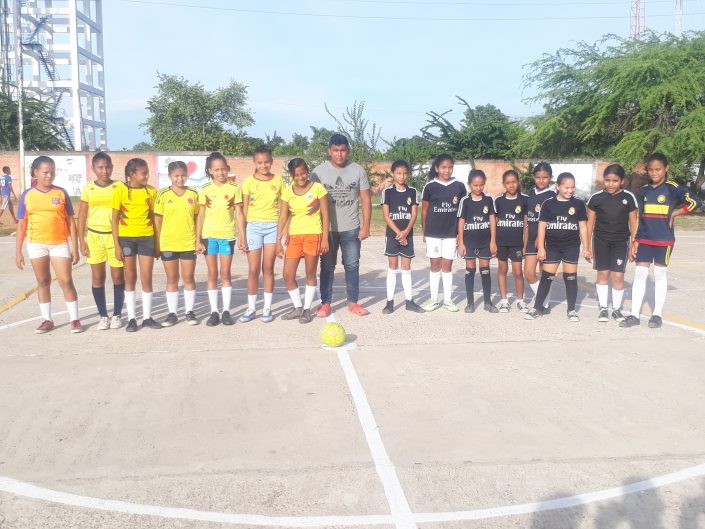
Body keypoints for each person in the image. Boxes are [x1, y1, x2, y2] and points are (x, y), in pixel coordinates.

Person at [621, 153, 705, 328]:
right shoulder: (644, 190)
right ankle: (634, 315)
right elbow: (640, 218)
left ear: (666, 168)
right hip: (644, 239)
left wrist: (675, 213)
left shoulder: (672, 188)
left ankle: (657, 315)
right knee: (639, 274)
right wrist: (635, 240)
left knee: (659, 275)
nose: (654, 173)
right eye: (651, 170)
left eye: (658, 169)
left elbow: (696, 202)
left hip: (664, 240)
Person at [15, 156, 83, 333]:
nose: (49, 175)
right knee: (43, 281)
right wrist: (18, 252)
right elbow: (21, 225)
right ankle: (47, 319)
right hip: (36, 244)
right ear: (36, 172)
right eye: (45, 172)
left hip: (59, 243)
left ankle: (74, 319)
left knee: (66, 280)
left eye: (52, 172)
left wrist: (75, 248)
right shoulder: (27, 195)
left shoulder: (61, 193)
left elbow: (71, 222)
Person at [311, 134, 372, 317]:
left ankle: (353, 302)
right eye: (336, 150)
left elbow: (366, 199)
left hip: (351, 227)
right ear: (329, 151)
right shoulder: (318, 172)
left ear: (348, 151)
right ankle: (325, 303)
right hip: (327, 230)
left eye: (343, 150)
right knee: (327, 266)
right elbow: (311, 201)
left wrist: (366, 226)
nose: (339, 154)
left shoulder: (358, 170)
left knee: (352, 265)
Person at [524, 172, 589, 322]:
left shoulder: (578, 204)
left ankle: (571, 310)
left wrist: (586, 247)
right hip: (552, 246)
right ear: (558, 186)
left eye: (572, 187)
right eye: (566, 187)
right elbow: (542, 226)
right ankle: (537, 308)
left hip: (571, 246)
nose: (570, 191)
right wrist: (541, 248)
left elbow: (583, 227)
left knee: (570, 277)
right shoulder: (548, 203)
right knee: (547, 277)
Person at [196, 151, 246, 327]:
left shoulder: (235, 188)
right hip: (209, 236)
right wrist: (197, 240)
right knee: (212, 273)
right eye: (216, 170)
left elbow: (239, 214)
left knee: (225, 273)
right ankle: (214, 312)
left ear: (228, 168)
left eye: (223, 169)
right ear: (210, 171)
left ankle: (226, 311)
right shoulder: (204, 189)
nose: (220, 172)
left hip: (227, 236)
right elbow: (201, 215)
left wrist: (242, 236)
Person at [276, 158, 330, 323]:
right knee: (287, 275)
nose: (300, 177)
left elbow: (325, 214)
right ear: (292, 175)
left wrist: (325, 239)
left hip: (313, 235)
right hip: (294, 237)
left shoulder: (318, 188)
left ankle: (307, 310)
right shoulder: (288, 191)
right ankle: (298, 307)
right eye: (296, 175)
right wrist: (278, 241)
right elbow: (283, 216)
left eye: (303, 173)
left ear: (307, 171)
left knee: (310, 273)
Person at [111, 157, 160, 332]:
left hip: (147, 237)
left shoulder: (151, 191)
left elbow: (155, 217)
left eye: (147, 172)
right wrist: (117, 245)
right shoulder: (120, 190)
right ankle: (132, 318)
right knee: (130, 277)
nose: (147, 176)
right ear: (132, 174)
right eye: (143, 173)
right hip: (126, 238)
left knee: (146, 277)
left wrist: (157, 243)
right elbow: (114, 219)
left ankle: (147, 317)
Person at [77, 152, 125, 330]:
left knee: (118, 277)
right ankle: (103, 316)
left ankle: (117, 314)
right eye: (100, 167)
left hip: (115, 237)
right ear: (93, 169)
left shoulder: (120, 186)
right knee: (98, 278)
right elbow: (82, 215)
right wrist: (82, 240)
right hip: (94, 237)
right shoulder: (88, 188)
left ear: (112, 167)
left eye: (107, 167)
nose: (104, 171)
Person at [585, 164, 638, 323]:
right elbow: (589, 223)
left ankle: (616, 309)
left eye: (615, 181)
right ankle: (603, 308)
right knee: (603, 274)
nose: (610, 184)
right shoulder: (596, 198)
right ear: (603, 180)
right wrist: (587, 247)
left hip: (621, 242)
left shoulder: (629, 197)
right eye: (607, 180)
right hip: (600, 241)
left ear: (622, 181)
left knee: (618, 275)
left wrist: (634, 244)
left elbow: (634, 222)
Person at [240, 145, 284, 323]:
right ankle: (251, 308)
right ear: (254, 162)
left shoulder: (279, 181)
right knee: (253, 269)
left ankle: (267, 308)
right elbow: (243, 210)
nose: (263, 165)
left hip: (273, 227)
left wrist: (282, 233)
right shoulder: (248, 182)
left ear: (271, 162)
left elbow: (284, 209)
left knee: (268, 268)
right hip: (253, 228)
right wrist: (242, 235)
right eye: (260, 162)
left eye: (266, 162)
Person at [154, 161, 200, 327]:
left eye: (183, 175)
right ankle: (172, 313)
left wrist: (198, 240)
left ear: (187, 175)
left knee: (188, 277)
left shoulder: (193, 194)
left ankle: (189, 311)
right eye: (176, 176)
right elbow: (157, 220)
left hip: (188, 242)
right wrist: (157, 244)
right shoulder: (162, 194)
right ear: (170, 176)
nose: (180, 179)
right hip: (168, 243)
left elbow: (197, 218)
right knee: (172, 278)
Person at [421, 154, 467, 312]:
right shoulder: (430, 186)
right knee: (435, 265)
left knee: (447, 266)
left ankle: (448, 300)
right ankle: (434, 299)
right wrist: (424, 231)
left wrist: (461, 235)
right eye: (443, 167)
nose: (447, 170)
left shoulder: (459, 186)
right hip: (433, 232)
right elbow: (425, 211)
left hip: (451, 233)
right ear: (437, 168)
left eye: (450, 167)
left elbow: (463, 213)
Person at [380, 160, 424, 314]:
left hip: (407, 235)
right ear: (393, 174)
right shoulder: (387, 192)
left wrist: (405, 232)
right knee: (392, 267)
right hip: (392, 235)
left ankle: (409, 301)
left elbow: (414, 215)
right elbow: (386, 216)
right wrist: (399, 233)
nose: (402, 176)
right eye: (399, 173)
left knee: (406, 268)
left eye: (405, 173)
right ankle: (389, 302)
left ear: (408, 174)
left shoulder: (412, 191)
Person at [457, 169, 497, 313]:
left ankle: (488, 302)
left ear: (484, 184)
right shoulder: (465, 201)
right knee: (470, 269)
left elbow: (492, 221)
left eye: (481, 185)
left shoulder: (488, 200)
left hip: (485, 242)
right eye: (475, 185)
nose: (478, 188)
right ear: (469, 185)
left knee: (485, 269)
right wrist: (461, 242)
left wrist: (493, 241)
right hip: (469, 242)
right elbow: (461, 221)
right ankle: (470, 303)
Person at [493, 169, 529, 313]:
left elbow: (526, 225)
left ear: (518, 182)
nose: (511, 185)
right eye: (508, 183)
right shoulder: (498, 201)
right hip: (501, 243)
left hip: (517, 244)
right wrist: (493, 242)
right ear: (504, 184)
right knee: (502, 270)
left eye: (514, 182)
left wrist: (525, 244)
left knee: (518, 272)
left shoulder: (524, 200)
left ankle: (520, 300)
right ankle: (504, 301)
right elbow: (494, 223)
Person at [523, 163, 556, 312]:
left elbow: (553, 219)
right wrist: (526, 240)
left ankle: (543, 304)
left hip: (545, 240)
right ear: (533, 177)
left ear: (551, 177)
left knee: (545, 274)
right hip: (531, 239)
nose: (541, 180)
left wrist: (541, 239)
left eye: (545, 177)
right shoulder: (531, 193)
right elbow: (527, 218)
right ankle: (543, 300)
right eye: (538, 177)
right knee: (529, 273)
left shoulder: (553, 195)